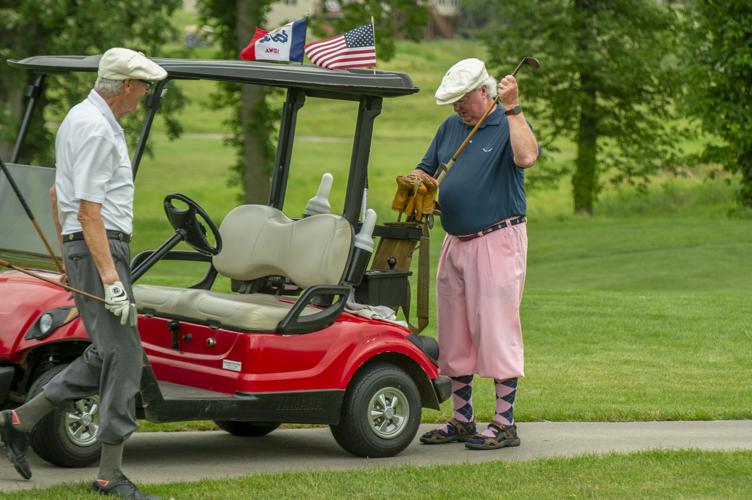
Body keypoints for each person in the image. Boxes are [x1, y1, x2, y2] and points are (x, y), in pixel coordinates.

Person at [0, 48, 166, 498]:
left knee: (106, 352)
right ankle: (109, 476)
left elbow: (58, 195)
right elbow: (89, 211)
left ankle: (20, 419)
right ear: (126, 86)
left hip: (87, 250)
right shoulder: (96, 128)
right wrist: (109, 278)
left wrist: (68, 253)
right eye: (144, 85)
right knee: (125, 356)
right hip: (101, 247)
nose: (146, 93)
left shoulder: (80, 116)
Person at [414, 58, 538, 450]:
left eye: (461, 101)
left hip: (496, 238)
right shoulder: (451, 128)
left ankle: (504, 423)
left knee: (495, 328)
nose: (456, 109)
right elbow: (427, 169)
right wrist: (417, 182)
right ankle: (462, 419)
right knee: (455, 332)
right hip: (456, 240)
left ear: (484, 93)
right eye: (452, 102)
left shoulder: (506, 123)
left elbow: (526, 157)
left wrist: (514, 107)